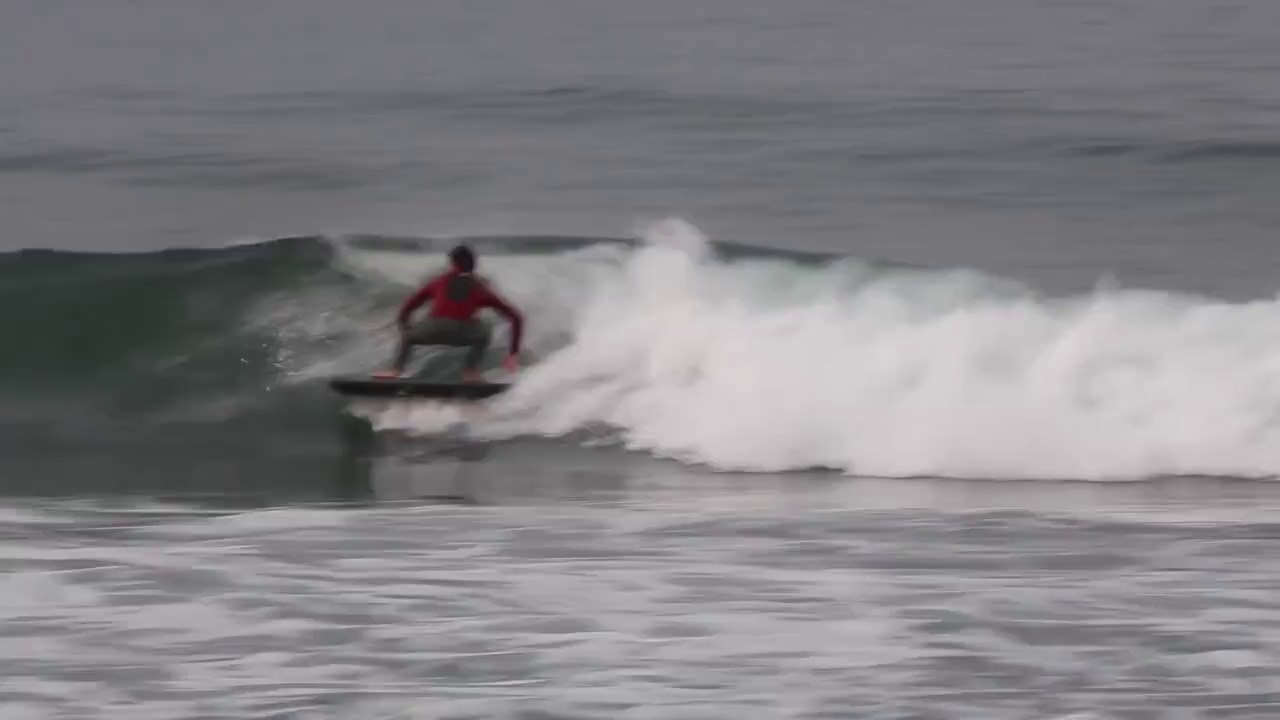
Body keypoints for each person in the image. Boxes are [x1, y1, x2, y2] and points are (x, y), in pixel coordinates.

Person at [373, 244, 522, 382]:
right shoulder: (480, 287)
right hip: (464, 332)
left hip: (434, 329)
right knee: (485, 333)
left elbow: (407, 308)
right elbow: (516, 318)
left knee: (410, 337)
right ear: (474, 264)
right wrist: (513, 354)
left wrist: (405, 330)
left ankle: (395, 370)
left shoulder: (438, 281)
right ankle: (470, 372)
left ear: (452, 263)